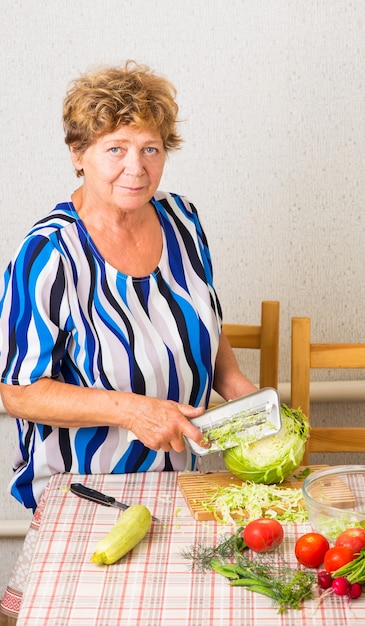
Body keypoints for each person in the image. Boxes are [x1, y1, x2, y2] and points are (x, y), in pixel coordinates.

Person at [0, 60, 257, 510]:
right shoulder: (48, 254)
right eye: (115, 149)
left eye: (150, 149)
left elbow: (201, 320)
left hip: (177, 481)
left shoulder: (183, 220)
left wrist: (237, 387)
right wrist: (133, 410)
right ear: (79, 155)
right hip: (83, 489)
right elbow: (18, 390)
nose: (136, 168)